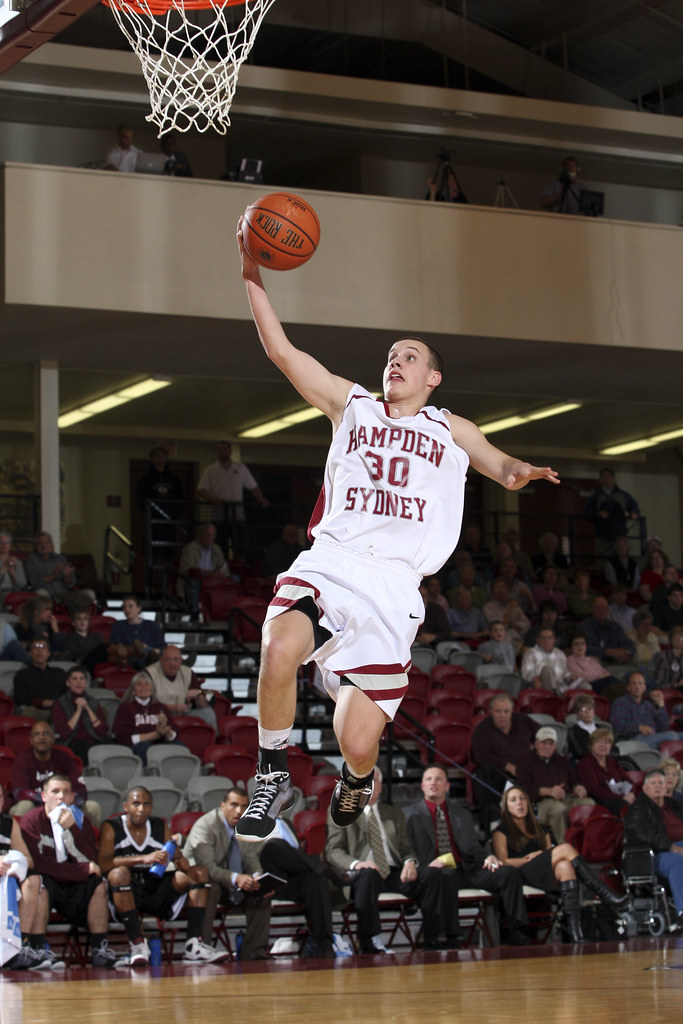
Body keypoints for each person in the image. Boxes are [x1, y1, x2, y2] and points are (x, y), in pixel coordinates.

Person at [233, 222, 559, 842]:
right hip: (333, 560)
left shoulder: (448, 428)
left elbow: (498, 463)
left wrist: (521, 472)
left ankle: (358, 777)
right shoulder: (349, 405)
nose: (395, 361)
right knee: (277, 647)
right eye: (391, 355)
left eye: (409, 356)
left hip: (393, 589)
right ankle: (270, 772)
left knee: (356, 740)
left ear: (433, 378)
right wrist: (252, 274)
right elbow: (281, 351)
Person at [98, 785, 227, 965]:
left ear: (151, 807)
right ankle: (137, 943)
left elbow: (176, 856)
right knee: (119, 874)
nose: (141, 809)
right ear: (126, 806)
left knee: (199, 873)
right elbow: (103, 864)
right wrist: (144, 858)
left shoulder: (159, 825)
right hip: (126, 892)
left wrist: (181, 860)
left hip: (153, 887)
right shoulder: (111, 827)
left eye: (146, 804)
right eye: (136, 803)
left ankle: (193, 946)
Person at [404, 765, 530, 945]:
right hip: (436, 873)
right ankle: (452, 936)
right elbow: (407, 850)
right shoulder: (408, 815)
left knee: (508, 873)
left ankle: (518, 932)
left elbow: (472, 846)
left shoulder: (461, 813)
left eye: (439, 779)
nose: (433, 783)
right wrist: (425, 865)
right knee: (446, 875)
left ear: (447, 786)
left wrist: (488, 856)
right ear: (422, 786)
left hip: (466, 869)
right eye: (429, 779)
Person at [492, 786, 627, 942]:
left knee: (565, 866)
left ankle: (575, 932)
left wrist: (540, 856)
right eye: (513, 800)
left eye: (522, 799)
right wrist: (530, 859)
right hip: (520, 873)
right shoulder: (501, 831)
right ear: (506, 806)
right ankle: (604, 892)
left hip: (543, 873)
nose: (519, 803)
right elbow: (503, 861)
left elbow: (549, 855)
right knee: (565, 848)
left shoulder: (541, 829)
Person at [325, 766, 433, 952]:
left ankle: (436, 938)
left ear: (381, 786)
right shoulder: (341, 811)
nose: (369, 785)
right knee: (368, 874)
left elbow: (406, 849)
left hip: (392, 874)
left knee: (432, 875)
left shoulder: (394, 814)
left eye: (373, 780)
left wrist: (410, 862)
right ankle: (370, 941)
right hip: (361, 877)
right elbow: (333, 851)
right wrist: (357, 864)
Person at [19, 775, 121, 967]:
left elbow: (91, 859)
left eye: (66, 792)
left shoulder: (81, 822)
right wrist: (81, 870)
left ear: (72, 798)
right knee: (39, 882)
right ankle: (39, 949)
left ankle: (100, 949)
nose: (61, 797)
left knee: (97, 884)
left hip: (72, 883)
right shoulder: (30, 821)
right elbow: (39, 864)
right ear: (43, 796)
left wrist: (71, 830)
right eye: (55, 792)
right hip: (49, 881)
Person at [182, 787, 274, 960]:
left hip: (231, 882)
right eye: (234, 805)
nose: (239, 811)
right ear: (223, 805)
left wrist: (257, 877)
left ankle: (254, 953)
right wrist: (235, 878)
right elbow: (207, 867)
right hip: (199, 884)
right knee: (212, 887)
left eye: (244, 806)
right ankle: (202, 948)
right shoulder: (205, 825)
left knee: (261, 893)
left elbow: (251, 859)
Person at [10, 720, 100, 825]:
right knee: (24, 806)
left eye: (46, 734)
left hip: (64, 805)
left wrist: (69, 799)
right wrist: (50, 800)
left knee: (93, 807)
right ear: (31, 740)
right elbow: (20, 793)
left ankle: (88, 840)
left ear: (53, 738)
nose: (41, 737)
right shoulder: (23, 760)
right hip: (37, 807)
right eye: (36, 734)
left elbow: (81, 791)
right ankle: (20, 841)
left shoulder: (65, 758)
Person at [470, 693, 537, 831]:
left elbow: (542, 735)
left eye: (506, 712)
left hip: (524, 769)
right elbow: (481, 756)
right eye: (498, 712)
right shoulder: (483, 729)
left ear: (512, 712)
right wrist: (506, 766)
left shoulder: (523, 721)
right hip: (497, 772)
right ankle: (493, 821)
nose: (502, 715)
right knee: (482, 773)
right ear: (491, 712)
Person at [624, 768, 683, 925]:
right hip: (656, 854)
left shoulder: (675, 806)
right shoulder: (639, 809)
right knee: (678, 862)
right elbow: (641, 835)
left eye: (661, 783)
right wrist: (671, 847)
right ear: (645, 788)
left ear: (666, 787)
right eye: (653, 783)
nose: (658, 786)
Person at [516, 726, 594, 842]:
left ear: (555, 746)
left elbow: (574, 779)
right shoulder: (525, 761)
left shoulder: (562, 761)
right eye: (544, 743)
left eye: (551, 744)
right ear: (536, 744)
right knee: (558, 809)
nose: (547, 747)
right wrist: (548, 791)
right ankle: (564, 847)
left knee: (588, 803)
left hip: (565, 797)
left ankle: (587, 844)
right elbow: (523, 788)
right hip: (540, 803)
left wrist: (579, 787)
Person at [197, 441, 269, 558]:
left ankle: (240, 567)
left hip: (237, 515)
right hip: (219, 515)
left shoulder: (240, 468)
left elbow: (253, 486)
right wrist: (213, 499)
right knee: (221, 546)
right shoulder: (210, 470)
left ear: (230, 451)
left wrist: (261, 499)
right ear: (217, 452)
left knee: (240, 545)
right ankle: (222, 568)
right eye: (220, 449)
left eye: (225, 449)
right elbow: (201, 490)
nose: (223, 451)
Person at [145, 645, 217, 730]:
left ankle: (214, 742)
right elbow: (144, 704)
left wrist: (200, 697)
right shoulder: (149, 674)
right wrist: (172, 707)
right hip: (158, 715)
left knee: (207, 713)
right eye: (168, 660)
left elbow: (200, 692)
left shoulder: (188, 672)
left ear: (181, 661)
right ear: (161, 660)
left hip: (184, 713)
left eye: (176, 660)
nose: (172, 663)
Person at [113, 672, 179, 764]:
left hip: (159, 745)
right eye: (139, 684)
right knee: (144, 747)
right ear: (133, 690)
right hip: (137, 747)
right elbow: (124, 737)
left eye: (147, 684)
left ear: (152, 690)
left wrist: (167, 729)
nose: (143, 687)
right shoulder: (125, 707)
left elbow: (174, 733)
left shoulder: (161, 707)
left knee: (180, 746)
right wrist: (156, 734)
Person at [24, 532, 94, 613]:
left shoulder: (61, 559)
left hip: (64, 594)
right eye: (40, 543)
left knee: (90, 593)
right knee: (40, 593)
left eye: (47, 542)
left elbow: (71, 584)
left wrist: (67, 576)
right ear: (35, 546)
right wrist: (53, 575)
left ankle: (81, 621)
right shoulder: (31, 560)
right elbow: (34, 583)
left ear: (52, 544)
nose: (44, 546)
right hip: (48, 595)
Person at [609, 671, 682, 749]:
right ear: (628, 687)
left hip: (652, 738)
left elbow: (664, 727)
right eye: (633, 683)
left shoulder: (648, 705)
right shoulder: (620, 702)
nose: (637, 687)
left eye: (640, 683)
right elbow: (616, 726)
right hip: (631, 740)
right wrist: (638, 728)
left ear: (644, 688)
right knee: (672, 735)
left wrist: (661, 705)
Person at [51, 667, 108, 762]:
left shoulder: (93, 702)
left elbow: (102, 733)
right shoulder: (60, 703)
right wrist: (78, 712)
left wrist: (88, 709)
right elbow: (63, 733)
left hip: (93, 742)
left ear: (85, 683)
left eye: (82, 679)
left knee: (112, 746)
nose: (78, 682)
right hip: (71, 743)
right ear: (68, 683)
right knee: (84, 748)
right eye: (74, 679)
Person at [576, 728, 636, 815]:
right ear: (591, 745)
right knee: (623, 805)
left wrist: (631, 793)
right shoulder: (585, 763)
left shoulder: (612, 761)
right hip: (601, 800)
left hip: (620, 798)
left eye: (606, 742)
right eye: (599, 742)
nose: (603, 745)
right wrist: (622, 797)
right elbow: (594, 790)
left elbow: (628, 781)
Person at [584, 468, 640, 557]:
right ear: (600, 479)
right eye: (604, 477)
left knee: (621, 556)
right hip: (603, 534)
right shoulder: (595, 497)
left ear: (613, 478)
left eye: (608, 476)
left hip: (620, 533)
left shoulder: (623, 495)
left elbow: (634, 506)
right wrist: (598, 514)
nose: (606, 479)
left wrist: (634, 513)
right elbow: (587, 512)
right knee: (603, 557)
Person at [177, 522, 230, 611]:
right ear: (201, 534)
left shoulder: (216, 549)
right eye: (207, 534)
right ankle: (195, 611)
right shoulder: (190, 548)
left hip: (214, 580)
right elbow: (186, 569)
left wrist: (222, 574)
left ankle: (225, 612)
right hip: (198, 579)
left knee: (234, 579)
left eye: (212, 535)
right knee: (194, 583)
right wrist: (207, 573)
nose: (209, 538)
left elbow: (223, 566)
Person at [12, 639, 66, 720]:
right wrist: (43, 703)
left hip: (59, 709)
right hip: (37, 710)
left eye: (43, 647)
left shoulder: (59, 673)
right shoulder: (22, 675)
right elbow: (19, 698)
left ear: (48, 653)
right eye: (35, 647)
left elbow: (67, 693)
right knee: (28, 712)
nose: (39, 651)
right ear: (30, 653)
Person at [108, 594, 164, 668]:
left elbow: (162, 646)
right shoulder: (119, 625)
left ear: (138, 608)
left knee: (151, 657)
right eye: (124, 607)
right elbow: (114, 646)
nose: (127, 609)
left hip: (149, 659)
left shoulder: (150, 625)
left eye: (130, 606)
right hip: (128, 660)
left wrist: (152, 651)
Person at [579, 596, 635, 668]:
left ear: (608, 610)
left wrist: (625, 653)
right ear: (591, 610)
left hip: (615, 659)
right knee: (594, 660)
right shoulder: (585, 627)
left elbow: (628, 643)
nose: (601, 611)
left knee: (633, 658)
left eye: (604, 608)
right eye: (598, 608)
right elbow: (586, 649)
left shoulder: (615, 626)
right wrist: (607, 652)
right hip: (598, 659)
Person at [481, 578, 531, 649]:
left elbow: (527, 624)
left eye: (502, 588)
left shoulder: (513, 605)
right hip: (501, 641)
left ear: (507, 591)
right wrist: (510, 609)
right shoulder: (488, 607)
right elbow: (501, 626)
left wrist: (518, 625)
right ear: (492, 592)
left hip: (519, 638)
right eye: (497, 589)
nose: (500, 591)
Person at [520, 627, 573, 693]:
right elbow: (526, 672)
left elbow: (564, 673)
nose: (547, 640)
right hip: (541, 684)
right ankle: (553, 695)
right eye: (543, 638)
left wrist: (571, 676)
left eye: (550, 638)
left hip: (560, 684)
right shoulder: (530, 653)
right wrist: (533, 678)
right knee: (547, 669)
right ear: (537, 640)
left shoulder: (560, 653)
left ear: (554, 640)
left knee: (584, 685)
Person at [60, 609, 109, 675]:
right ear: (73, 622)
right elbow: (75, 653)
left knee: (106, 648)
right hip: (82, 664)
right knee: (103, 647)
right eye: (79, 619)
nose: (82, 621)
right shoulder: (69, 637)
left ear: (88, 622)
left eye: (85, 619)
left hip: (98, 663)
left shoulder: (96, 636)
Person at [567, 693, 600, 761]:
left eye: (590, 708)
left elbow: (613, 748)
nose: (587, 712)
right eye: (583, 709)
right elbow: (582, 753)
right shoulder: (574, 732)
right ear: (577, 714)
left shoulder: (601, 728)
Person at [628, 609, 661, 677]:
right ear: (637, 625)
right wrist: (642, 642)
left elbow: (657, 657)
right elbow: (637, 660)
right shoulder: (629, 637)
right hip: (634, 670)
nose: (647, 628)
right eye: (644, 625)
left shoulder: (652, 637)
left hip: (651, 670)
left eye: (649, 625)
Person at [0, 529, 27, 604]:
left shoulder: (17, 562)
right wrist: (4, 566)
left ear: (10, 544)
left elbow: (22, 584)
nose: (4, 545)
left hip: (14, 591)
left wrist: (12, 573)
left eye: (7, 542)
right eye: (1, 542)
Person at [653, 625, 683, 691]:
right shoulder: (663, 656)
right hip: (669, 688)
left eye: (681, 637)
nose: (678, 640)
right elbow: (659, 682)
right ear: (670, 639)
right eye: (675, 637)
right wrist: (676, 685)